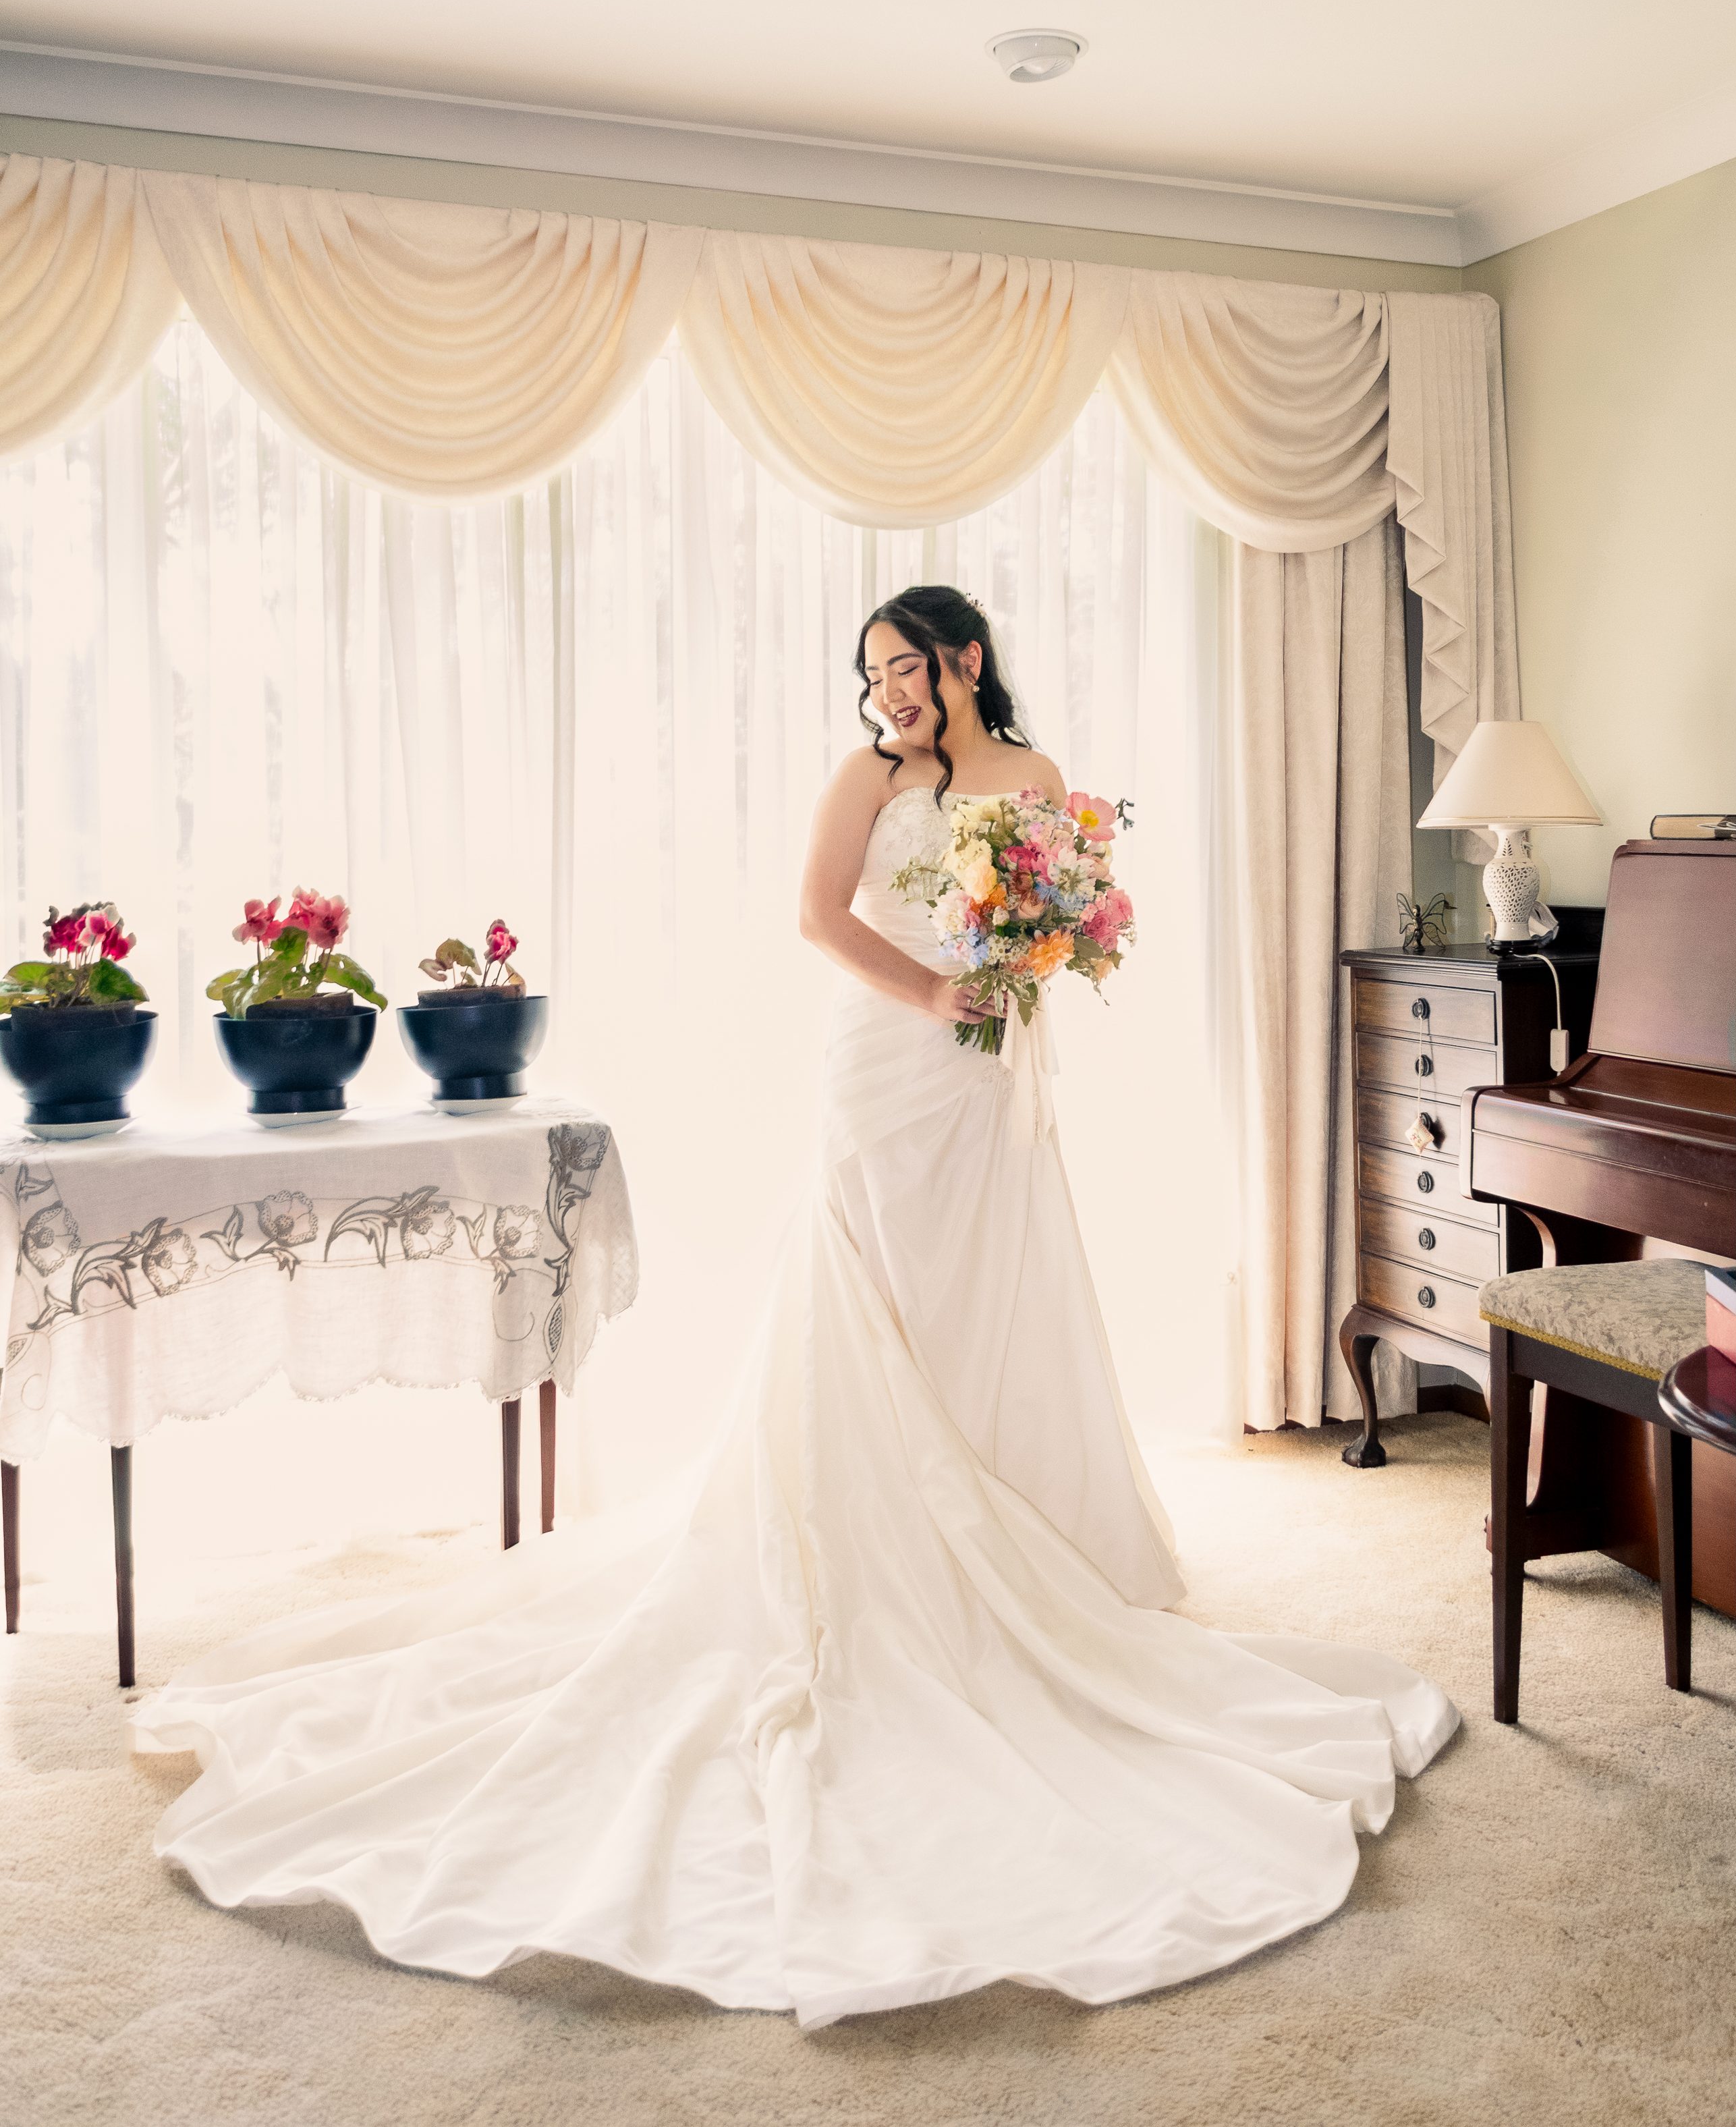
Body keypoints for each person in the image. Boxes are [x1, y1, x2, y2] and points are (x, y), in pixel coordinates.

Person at [134, 583, 1457, 2031]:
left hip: (988, 1070)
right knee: (870, 1288)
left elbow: (1054, 922)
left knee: (989, 1285)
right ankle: (891, 1542)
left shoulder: (1035, 775)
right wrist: (934, 995)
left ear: (964, 658)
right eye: (873, 671)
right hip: (886, 1059)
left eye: (908, 665)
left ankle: (1016, 1519)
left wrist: (1023, 967)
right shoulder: (866, 778)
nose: (890, 689)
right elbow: (817, 917)